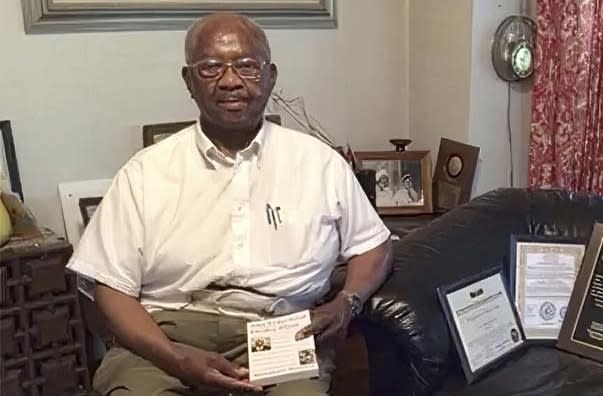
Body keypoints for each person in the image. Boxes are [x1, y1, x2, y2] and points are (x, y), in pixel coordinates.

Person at [67, 13, 392, 396]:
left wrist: (347, 302)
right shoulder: (145, 172)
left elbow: (374, 245)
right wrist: (175, 358)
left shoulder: (320, 164)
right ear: (188, 82)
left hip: (281, 333)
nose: (231, 81)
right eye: (210, 68)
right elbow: (109, 286)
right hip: (164, 334)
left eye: (247, 67)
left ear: (270, 76)